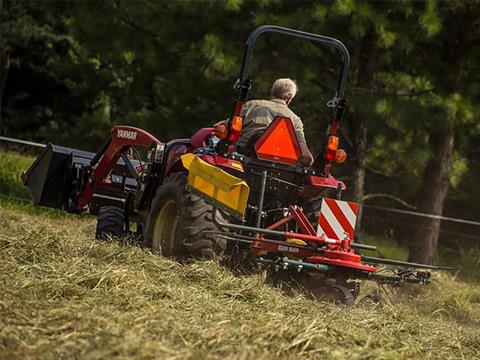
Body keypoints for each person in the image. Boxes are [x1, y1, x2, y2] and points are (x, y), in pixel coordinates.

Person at [235, 78, 314, 166]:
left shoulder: (251, 105)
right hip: (278, 169)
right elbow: (305, 156)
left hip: (242, 160)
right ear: (288, 98)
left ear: (271, 92)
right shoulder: (295, 120)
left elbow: (225, 127)